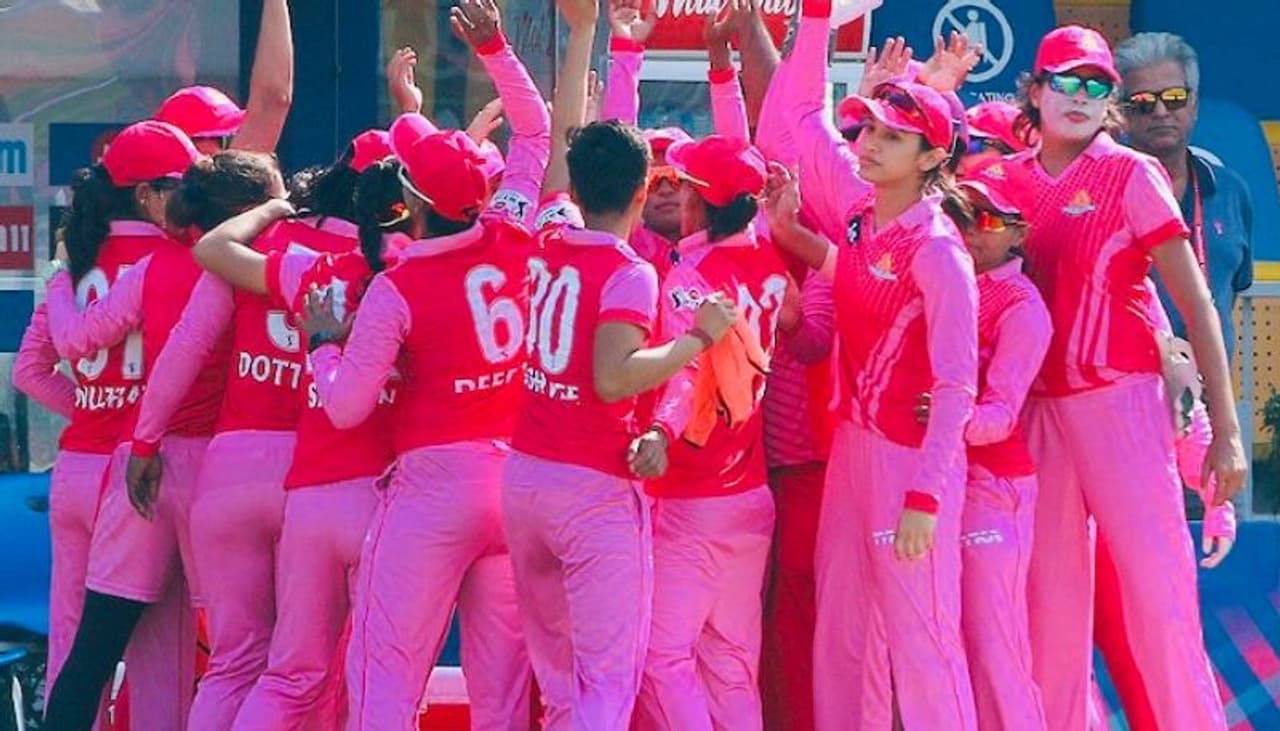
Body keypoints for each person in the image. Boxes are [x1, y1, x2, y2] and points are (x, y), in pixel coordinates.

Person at [297, 2, 552, 725]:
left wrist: (323, 345)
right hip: (511, 483)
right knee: (502, 692)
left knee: (385, 673)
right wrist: (495, 49)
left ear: (409, 200)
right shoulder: (513, 229)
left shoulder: (398, 286)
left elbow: (346, 405)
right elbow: (535, 132)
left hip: (432, 489)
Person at [994, 25, 1246, 730]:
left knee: (1160, 604)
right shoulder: (1004, 182)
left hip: (1124, 404)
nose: (1079, 96)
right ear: (1035, 91)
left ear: (1109, 98)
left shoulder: (1131, 174)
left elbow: (1196, 302)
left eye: (1096, 84)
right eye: (1065, 82)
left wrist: (1227, 431)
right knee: (1048, 612)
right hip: (1037, 413)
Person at [761, 2, 980, 726]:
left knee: (924, 642)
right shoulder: (860, 211)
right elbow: (800, 113)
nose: (872, 143)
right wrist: (816, 15)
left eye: (894, 137)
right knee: (842, 635)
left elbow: (957, 386)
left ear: (931, 158)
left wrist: (925, 496)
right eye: (872, 129)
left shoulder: (940, 252)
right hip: (851, 453)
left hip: (910, 463)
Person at [41, 148, 284, 731]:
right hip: (215, 469)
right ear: (250, 210)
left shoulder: (153, 266)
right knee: (239, 655)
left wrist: (58, 279)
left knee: (93, 647)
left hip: (139, 468)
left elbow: (75, 341)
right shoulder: (254, 267)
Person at [182, 133, 400, 730]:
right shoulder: (425, 275)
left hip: (305, 491)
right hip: (382, 500)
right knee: (376, 675)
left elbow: (213, 249)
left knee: (275, 672)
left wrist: (275, 208)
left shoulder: (318, 268)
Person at [30, 120, 203, 731]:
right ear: (146, 193)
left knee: (74, 641)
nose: (190, 197)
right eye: (180, 184)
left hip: (77, 466)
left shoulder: (79, 259)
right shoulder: (177, 258)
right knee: (161, 647)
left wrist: (92, 406)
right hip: (141, 469)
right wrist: (126, 417)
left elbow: (30, 370)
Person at [631, 135, 785, 731]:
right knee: (732, 664)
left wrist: (659, 433)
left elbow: (684, 374)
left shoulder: (690, 278)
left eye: (682, 183)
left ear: (699, 200)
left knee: (659, 657)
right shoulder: (769, 263)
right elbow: (804, 322)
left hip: (692, 493)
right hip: (751, 493)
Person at [944, 174, 1052, 730]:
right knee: (944, 644)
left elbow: (999, 416)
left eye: (988, 220)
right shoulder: (944, 280)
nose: (971, 231)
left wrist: (944, 418)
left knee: (995, 643)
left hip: (993, 487)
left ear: (1019, 233)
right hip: (940, 483)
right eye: (962, 216)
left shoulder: (1022, 305)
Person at [1115, 32, 1253, 363]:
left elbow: (1229, 290)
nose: (1161, 111)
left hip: (1206, 387)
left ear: (1194, 105)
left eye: (1175, 97)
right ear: (1121, 114)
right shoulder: (1101, 191)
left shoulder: (1230, 192)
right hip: (1122, 386)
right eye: (1143, 102)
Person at [154, 0, 293, 155]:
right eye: (223, 137)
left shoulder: (226, 165)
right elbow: (272, 99)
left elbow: (272, 101)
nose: (215, 148)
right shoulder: (219, 170)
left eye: (227, 137)